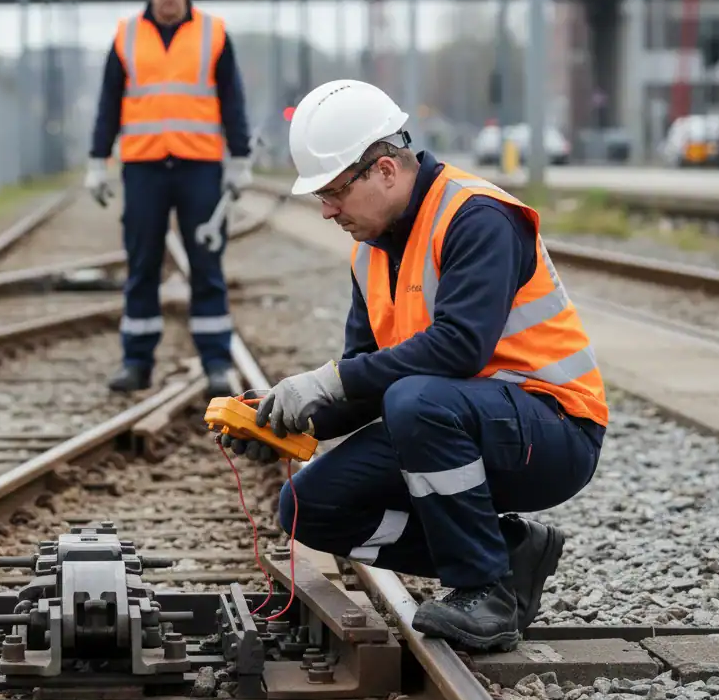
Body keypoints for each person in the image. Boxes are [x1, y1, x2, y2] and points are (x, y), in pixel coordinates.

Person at [224, 79, 607, 653]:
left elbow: (459, 349)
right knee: (309, 505)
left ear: (383, 169)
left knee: (415, 400)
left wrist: (327, 380)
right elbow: (367, 378)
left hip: (551, 430)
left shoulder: (477, 216)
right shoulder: (371, 250)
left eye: (333, 192)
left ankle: (485, 591)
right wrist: (290, 421)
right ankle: (505, 555)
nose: (327, 210)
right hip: (447, 420)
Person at [85, 0, 253, 397]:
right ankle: (136, 362)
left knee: (207, 265)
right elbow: (109, 103)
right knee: (142, 265)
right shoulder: (125, 36)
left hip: (199, 167)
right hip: (142, 168)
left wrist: (239, 159)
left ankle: (217, 361)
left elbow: (231, 100)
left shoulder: (214, 34)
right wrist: (97, 161)